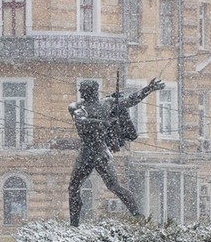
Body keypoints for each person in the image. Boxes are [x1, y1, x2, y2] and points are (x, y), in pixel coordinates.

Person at [68, 78, 165, 227]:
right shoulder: (76, 107)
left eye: (83, 89)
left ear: (91, 91)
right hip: (91, 152)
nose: (80, 91)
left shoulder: (106, 103)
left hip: (96, 152)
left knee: (113, 187)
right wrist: (105, 122)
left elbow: (131, 100)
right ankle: (74, 224)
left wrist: (148, 89)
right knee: (75, 187)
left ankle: (138, 216)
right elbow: (82, 123)